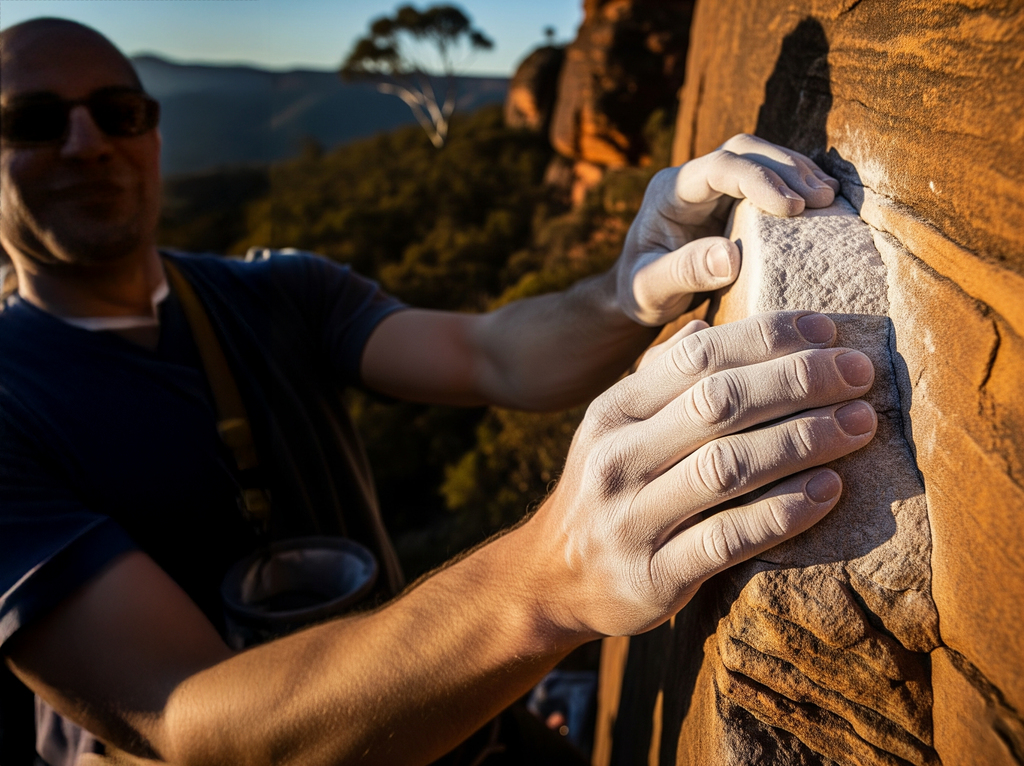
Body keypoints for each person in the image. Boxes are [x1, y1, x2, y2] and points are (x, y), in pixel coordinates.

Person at [0, 17, 878, 766]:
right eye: (32, 122)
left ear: (152, 132)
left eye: (118, 112)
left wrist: (624, 290)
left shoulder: (273, 293)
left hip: (457, 725)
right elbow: (184, 717)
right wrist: (550, 577)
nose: (87, 143)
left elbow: (489, 354)